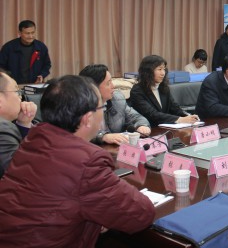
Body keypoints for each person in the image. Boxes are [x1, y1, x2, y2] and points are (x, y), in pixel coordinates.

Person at [0, 75, 155, 247]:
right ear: (88, 118)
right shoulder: (87, 162)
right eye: (101, 107)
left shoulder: (33, 141)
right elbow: (141, 215)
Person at [79, 64, 151, 145]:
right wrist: (103, 136)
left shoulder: (117, 99)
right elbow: (78, 133)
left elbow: (136, 117)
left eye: (111, 81)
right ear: (93, 87)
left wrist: (141, 126)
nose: (113, 86)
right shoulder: (79, 105)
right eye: (108, 83)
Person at [129, 55, 198, 126]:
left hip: (165, 127)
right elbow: (152, 114)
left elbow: (174, 107)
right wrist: (180, 119)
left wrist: (188, 116)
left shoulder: (163, 87)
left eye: (164, 69)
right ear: (148, 71)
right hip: (148, 128)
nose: (163, 73)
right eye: (159, 69)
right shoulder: (137, 91)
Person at [0, 71, 37, 178]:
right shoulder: (3, 129)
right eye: (17, 91)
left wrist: (24, 124)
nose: (21, 97)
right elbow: (21, 175)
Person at [0, 20, 51, 84]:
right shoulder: (9, 47)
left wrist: (42, 75)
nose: (31, 36)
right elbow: (1, 67)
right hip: (13, 85)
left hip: (34, 84)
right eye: (27, 33)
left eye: (33, 33)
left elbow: (47, 65)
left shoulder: (41, 47)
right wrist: (8, 79)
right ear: (20, 33)